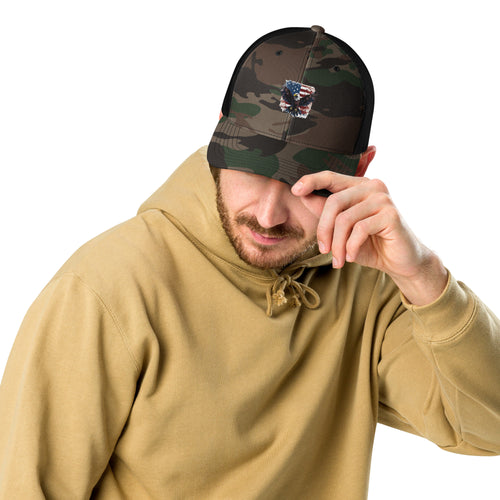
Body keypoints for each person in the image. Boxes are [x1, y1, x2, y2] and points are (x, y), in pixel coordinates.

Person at [0, 25, 499, 499]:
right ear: (219, 134)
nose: (267, 214)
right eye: (252, 169)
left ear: (361, 170)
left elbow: (489, 428)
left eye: (305, 185)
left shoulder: (369, 285)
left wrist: (423, 277)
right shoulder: (107, 288)